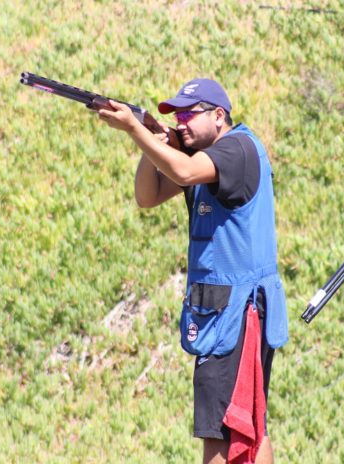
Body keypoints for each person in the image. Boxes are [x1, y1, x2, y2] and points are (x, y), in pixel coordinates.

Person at [98, 79, 288, 464]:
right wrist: (156, 139)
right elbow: (147, 196)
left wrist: (136, 130)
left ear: (219, 116)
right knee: (248, 424)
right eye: (176, 116)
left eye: (188, 114)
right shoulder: (203, 156)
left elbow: (183, 172)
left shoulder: (234, 149)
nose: (180, 122)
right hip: (224, 312)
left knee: (219, 433)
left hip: (235, 314)